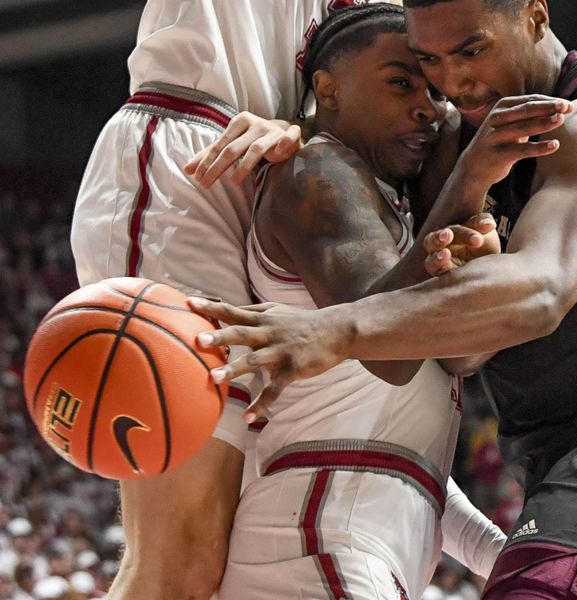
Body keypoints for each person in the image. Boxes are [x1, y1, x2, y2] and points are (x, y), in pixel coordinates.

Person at [190, 0, 577, 597]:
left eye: (472, 50)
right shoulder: (459, 135)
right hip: (572, 469)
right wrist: (290, 130)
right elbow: (459, 350)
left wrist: (335, 328)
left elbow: (542, 291)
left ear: (535, 17)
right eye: (429, 60)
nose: (452, 81)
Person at [213, 5, 568, 598]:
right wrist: (471, 178)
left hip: (341, 533)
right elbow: (390, 355)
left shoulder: (390, 210)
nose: (428, 105)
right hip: (317, 539)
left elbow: (406, 459)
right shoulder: (315, 170)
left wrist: (498, 554)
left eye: (431, 89)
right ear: (327, 88)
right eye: (401, 82)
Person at [68, 1, 393, 597]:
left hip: (287, 180)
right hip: (191, 154)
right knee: (178, 558)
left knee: (214, 562)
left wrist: (310, 126)